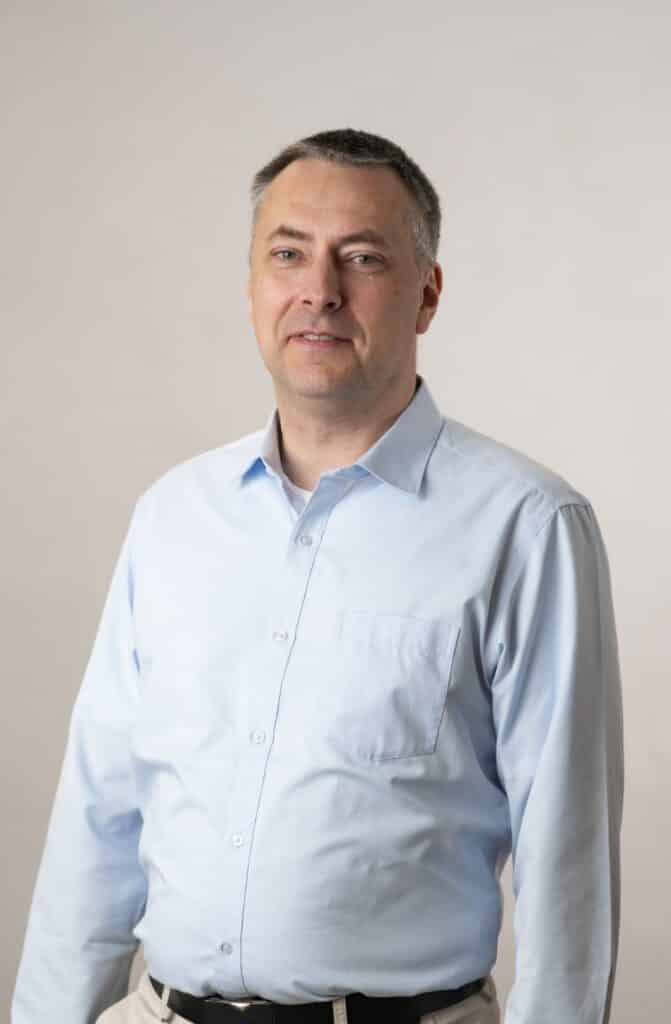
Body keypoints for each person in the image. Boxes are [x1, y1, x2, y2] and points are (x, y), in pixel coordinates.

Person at [11, 128, 624, 1024]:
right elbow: (97, 818)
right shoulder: (173, 516)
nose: (319, 291)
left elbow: (567, 855)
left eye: (362, 257)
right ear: (252, 284)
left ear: (426, 293)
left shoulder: (525, 526)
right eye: (287, 254)